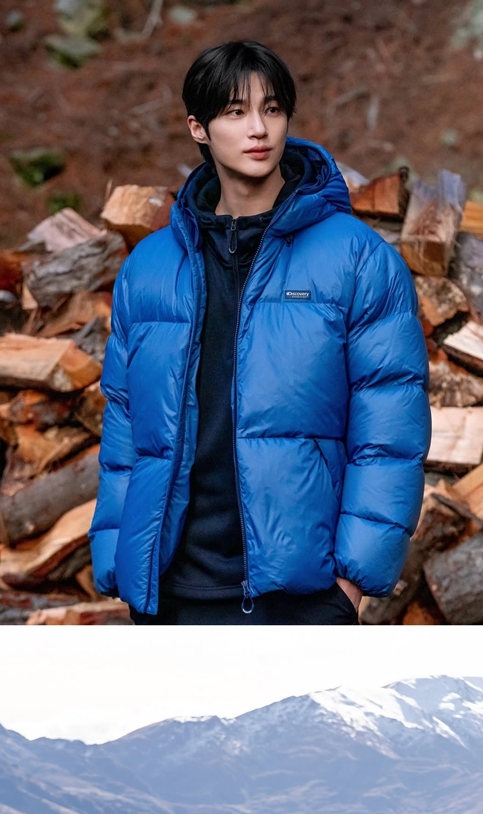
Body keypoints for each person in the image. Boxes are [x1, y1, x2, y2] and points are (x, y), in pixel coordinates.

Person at [89, 39, 430, 626]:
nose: (258, 129)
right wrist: (122, 566)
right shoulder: (148, 268)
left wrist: (348, 587)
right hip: (171, 598)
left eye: (272, 109)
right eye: (235, 112)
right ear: (199, 128)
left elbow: (390, 431)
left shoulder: (357, 259)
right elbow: (125, 430)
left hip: (299, 599)